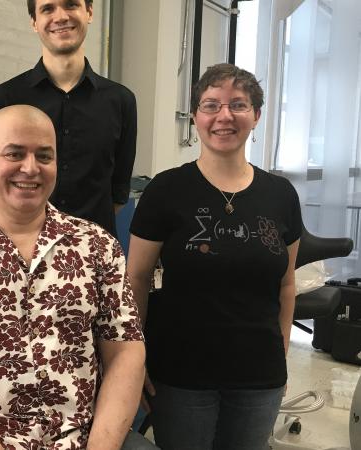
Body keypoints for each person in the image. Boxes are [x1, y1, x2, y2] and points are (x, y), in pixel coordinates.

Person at [0, 105, 155, 449]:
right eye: (15, 154)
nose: (30, 168)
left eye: (44, 156)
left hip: (82, 435)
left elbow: (126, 353)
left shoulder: (97, 246)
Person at [126, 63, 301, 450]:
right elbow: (135, 278)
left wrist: (282, 353)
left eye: (238, 104)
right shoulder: (166, 190)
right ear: (196, 117)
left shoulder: (281, 195)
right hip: (180, 374)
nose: (224, 115)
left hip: (259, 376)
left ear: (256, 115)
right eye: (211, 105)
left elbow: (286, 282)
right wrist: (132, 361)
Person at [0, 0, 137, 239]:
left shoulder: (121, 101)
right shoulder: (4, 98)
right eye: (48, 9)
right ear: (34, 22)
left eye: (71, 5)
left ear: (89, 12)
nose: (60, 17)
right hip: (16, 257)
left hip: (91, 255)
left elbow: (118, 195)